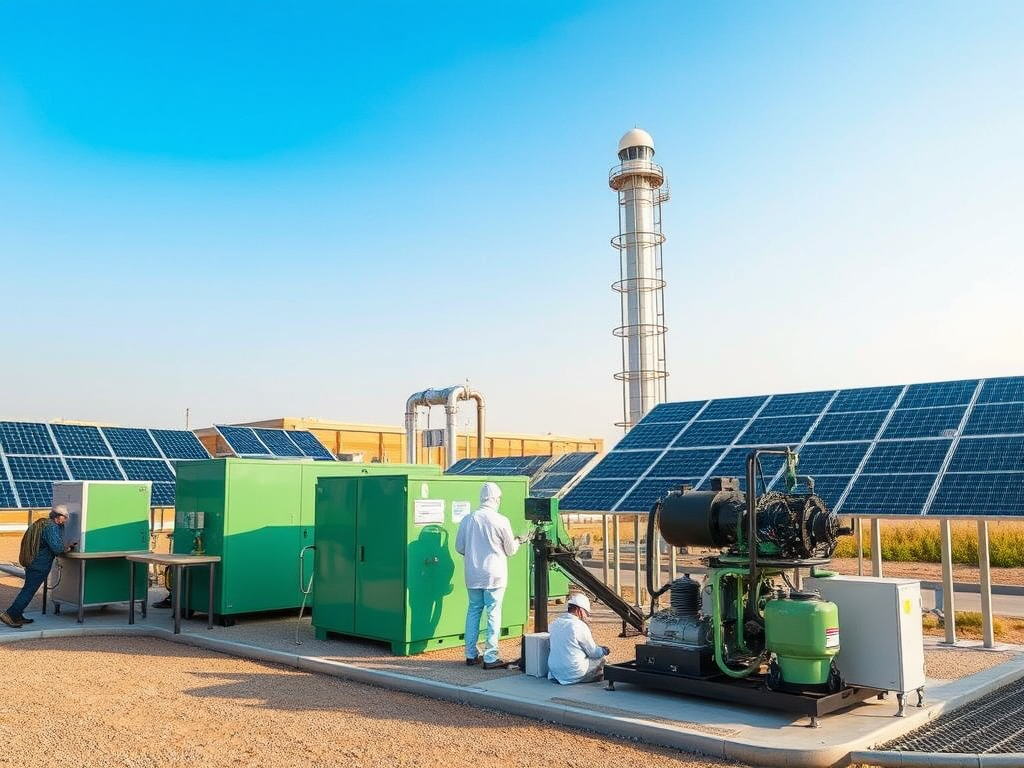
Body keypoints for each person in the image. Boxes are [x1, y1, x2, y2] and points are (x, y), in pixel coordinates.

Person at [455, 481, 526, 670]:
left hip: (473, 575)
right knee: (493, 613)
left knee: (473, 611)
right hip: (495, 575)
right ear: (496, 498)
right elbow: (510, 550)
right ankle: (490, 656)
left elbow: (459, 547)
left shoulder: (468, 519)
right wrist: (519, 540)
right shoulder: (501, 520)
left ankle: (471, 654)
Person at [1, 505, 77, 628]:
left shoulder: (43, 524)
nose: (66, 520)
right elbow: (57, 548)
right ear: (58, 517)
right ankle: (10, 614)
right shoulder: (51, 527)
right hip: (39, 564)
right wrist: (68, 547)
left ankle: (18, 615)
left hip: (33, 562)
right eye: (65, 517)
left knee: (28, 589)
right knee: (29, 590)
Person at [547, 593, 610, 685]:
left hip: (555, 672)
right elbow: (593, 652)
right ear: (579, 610)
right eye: (586, 613)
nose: (586, 616)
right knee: (603, 660)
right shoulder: (578, 625)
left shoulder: (555, 623)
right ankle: (595, 676)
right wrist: (603, 650)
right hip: (574, 672)